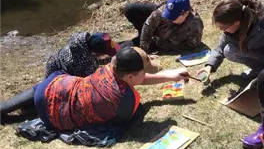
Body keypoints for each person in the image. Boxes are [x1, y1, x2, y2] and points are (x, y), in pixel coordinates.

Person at [1, 47, 189, 130]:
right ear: (131, 76)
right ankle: (26, 113)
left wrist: (171, 75)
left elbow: (139, 79)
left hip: (53, 86)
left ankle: (5, 107)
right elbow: (122, 120)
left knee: (42, 93)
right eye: (144, 71)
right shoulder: (128, 99)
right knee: (51, 109)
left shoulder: (111, 67)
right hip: (57, 116)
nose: (145, 74)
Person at [0, 32, 121, 119]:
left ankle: (24, 106)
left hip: (55, 67)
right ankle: (24, 109)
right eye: (104, 54)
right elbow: (88, 83)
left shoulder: (81, 42)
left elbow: (96, 59)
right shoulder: (82, 63)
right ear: (95, 53)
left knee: (37, 93)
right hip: (57, 80)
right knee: (53, 101)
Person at [121, 0, 204, 53]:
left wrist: (163, 46)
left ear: (186, 13)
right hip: (156, 33)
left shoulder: (195, 25)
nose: (169, 18)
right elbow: (147, 27)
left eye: (173, 16)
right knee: (131, 9)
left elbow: (191, 46)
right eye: (168, 14)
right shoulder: (161, 11)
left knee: (126, 49)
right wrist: (144, 53)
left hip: (162, 41)